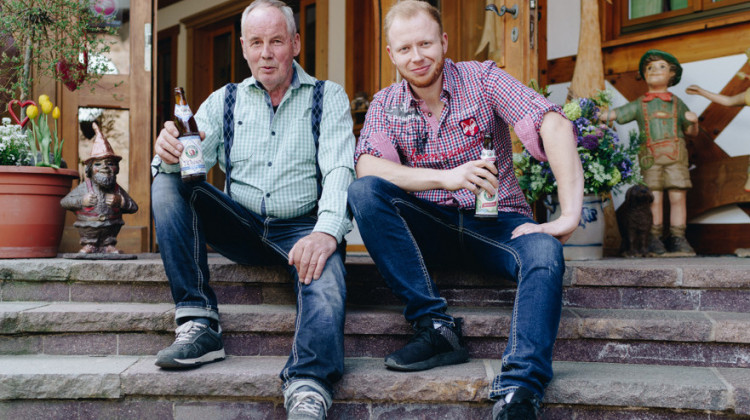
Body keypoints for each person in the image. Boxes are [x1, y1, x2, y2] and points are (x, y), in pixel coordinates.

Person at [346, 2, 583, 419]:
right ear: (391, 54)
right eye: (404, 49)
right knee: (364, 191)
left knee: (545, 252)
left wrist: (568, 217)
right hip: (431, 227)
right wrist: (446, 178)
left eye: (425, 44)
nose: (417, 57)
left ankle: (520, 389)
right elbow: (368, 166)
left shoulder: (482, 78)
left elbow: (553, 123)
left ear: (443, 41)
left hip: (498, 224)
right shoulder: (385, 103)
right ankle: (436, 328)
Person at [149, 1, 355, 418]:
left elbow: (339, 169)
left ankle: (309, 385)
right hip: (241, 225)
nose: (266, 53)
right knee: (166, 183)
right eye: (256, 43)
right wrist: (168, 151)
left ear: (295, 43)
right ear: (243, 47)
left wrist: (326, 232)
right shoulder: (224, 100)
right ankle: (200, 323)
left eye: (276, 41)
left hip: (302, 229)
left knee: (328, 280)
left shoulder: (327, 96)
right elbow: (188, 161)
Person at [600, 49, 699, 256]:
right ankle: (653, 238)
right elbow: (616, 115)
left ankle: (678, 237)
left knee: (678, 196)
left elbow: (691, 132)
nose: (655, 70)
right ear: (644, 75)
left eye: (661, 66)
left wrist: (694, 122)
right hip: (650, 157)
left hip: (676, 156)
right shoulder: (639, 103)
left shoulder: (677, 103)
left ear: (672, 74)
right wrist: (596, 112)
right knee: (653, 197)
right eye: (650, 68)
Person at [61, 122, 138, 254]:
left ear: (116, 168)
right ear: (89, 169)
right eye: (98, 164)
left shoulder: (117, 189)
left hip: (111, 228)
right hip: (88, 228)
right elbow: (65, 202)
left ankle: (108, 245)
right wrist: (82, 201)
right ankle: (90, 244)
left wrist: (121, 201)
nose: (105, 168)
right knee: (89, 240)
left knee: (110, 236)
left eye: (110, 164)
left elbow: (134, 207)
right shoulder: (84, 188)